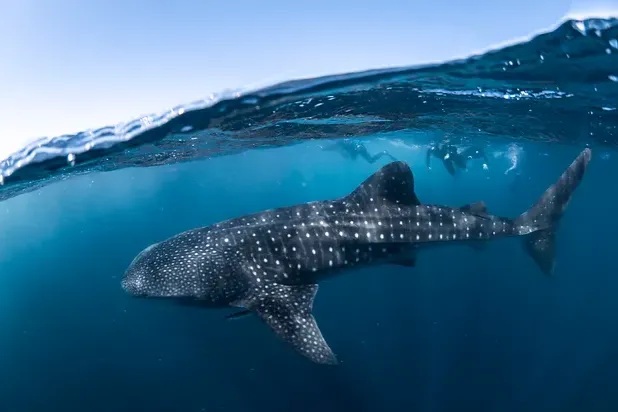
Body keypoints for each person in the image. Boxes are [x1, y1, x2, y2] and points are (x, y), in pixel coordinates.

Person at [322, 139, 398, 164]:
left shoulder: (353, 143)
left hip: (359, 149)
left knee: (370, 161)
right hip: (353, 150)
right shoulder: (340, 143)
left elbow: (358, 144)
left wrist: (359, 147)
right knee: (351, 159)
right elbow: (332, 147)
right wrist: (324, 149)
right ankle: (339, 151)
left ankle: (383, 152)